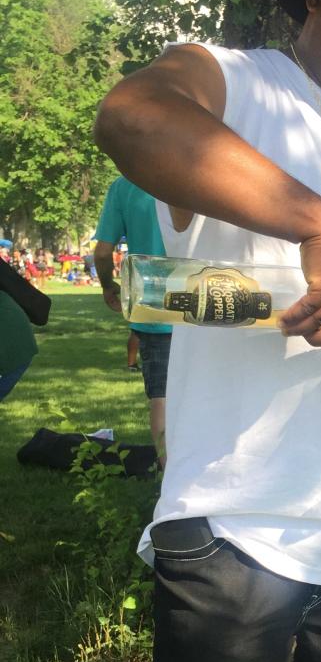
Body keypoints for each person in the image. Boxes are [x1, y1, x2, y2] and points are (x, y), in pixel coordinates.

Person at [94, 177, 173, 460]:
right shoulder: (199, 167)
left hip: (153, 305)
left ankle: (169, 481)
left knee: (161, 398)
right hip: (204, 298)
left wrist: (107, 285)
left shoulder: (125, 185)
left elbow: (103, 252)